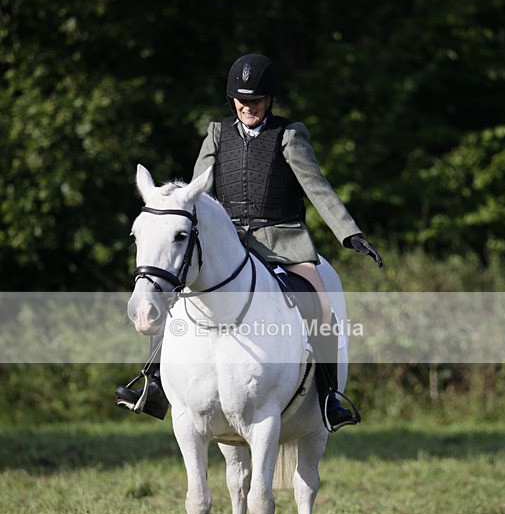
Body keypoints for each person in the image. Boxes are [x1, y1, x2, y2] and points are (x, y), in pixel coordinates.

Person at [116, 53, 382, 430]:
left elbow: (317, 188)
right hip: (226, 242)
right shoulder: (217, 133)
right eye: (241, 100)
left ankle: (328, 398)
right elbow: (195, 193)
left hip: (282, 241)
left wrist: (349, 232)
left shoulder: (289, 135)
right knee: (172, 299)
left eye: (255, 100)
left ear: (269, 99)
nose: (247, 106)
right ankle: (155, 382)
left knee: (320, 305)